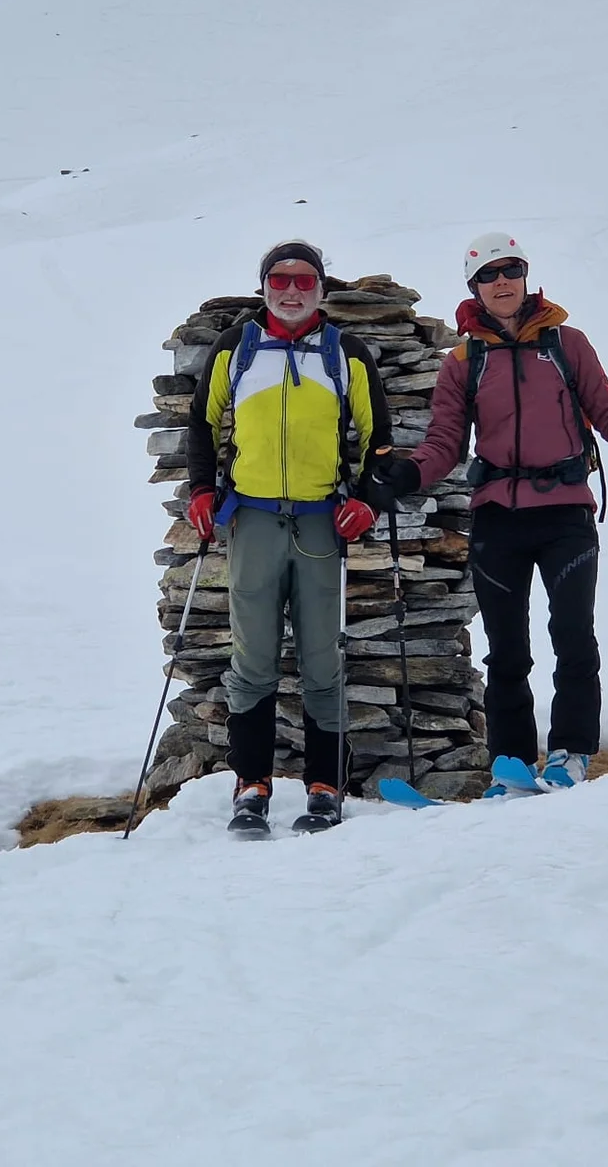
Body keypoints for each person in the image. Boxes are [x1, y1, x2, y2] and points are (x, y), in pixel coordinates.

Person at [374, 233, 608, 793]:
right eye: (488, 274)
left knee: (573, 636)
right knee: (507, 649)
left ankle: (571, 752)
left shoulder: (567, 344)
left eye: (511, 270)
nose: (501, 282)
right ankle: (509, 764)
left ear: (526, 277)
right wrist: (408, 473)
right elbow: (445, 442)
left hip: (565, 514)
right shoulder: (464, 361)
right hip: (497, 517)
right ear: (473, 287)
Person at [185, 242, 392, 835]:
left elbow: (378, 440)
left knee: (323, 658)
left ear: (321, 288)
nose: (292, 289)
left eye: (304, 279)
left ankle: (325, 786)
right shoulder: (237, 347)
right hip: (251, 519)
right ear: (264, 286)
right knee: (252, 660)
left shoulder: (344, 353)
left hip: (320, 522)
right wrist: (201, 490)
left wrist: (366, 500)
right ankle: (251, 787)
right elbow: (202, 422)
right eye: (280, 279)